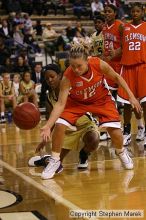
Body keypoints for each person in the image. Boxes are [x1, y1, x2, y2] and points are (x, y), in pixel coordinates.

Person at [40, 42, 141, 179]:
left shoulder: (98, 64)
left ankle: (121, 152)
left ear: (87, 60)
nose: (75, 69)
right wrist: (47, 126)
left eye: (79, 66)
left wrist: (131, 97)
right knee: (60, 124)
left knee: (115, 131)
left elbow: (117, 77)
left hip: (101, 100)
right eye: (72, 66)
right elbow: (60, 104)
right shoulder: (68, 76)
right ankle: (55, 160)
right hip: (77, 103)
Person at [28, 64, 100, 169]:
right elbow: (51, 120)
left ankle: (83, 154)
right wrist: (44, 140)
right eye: (47, 78)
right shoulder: (50, 97)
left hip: (84, 124)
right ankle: (44, 160)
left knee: (93, 139)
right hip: (67, 131)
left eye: (52, 76)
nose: (50, 80)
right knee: (56, 164)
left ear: (60, 75)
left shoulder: (74, 88)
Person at [117, 3, 146, 146]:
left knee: (145, 103)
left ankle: (144, 132)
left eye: (137, 11)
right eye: (133, 11)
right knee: (127, 103)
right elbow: (122, 48)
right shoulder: (124, 27)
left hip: (142, 67)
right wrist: (111, 56)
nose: (135, 13)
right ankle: (127, 131)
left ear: (142, 12)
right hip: (127, 67)